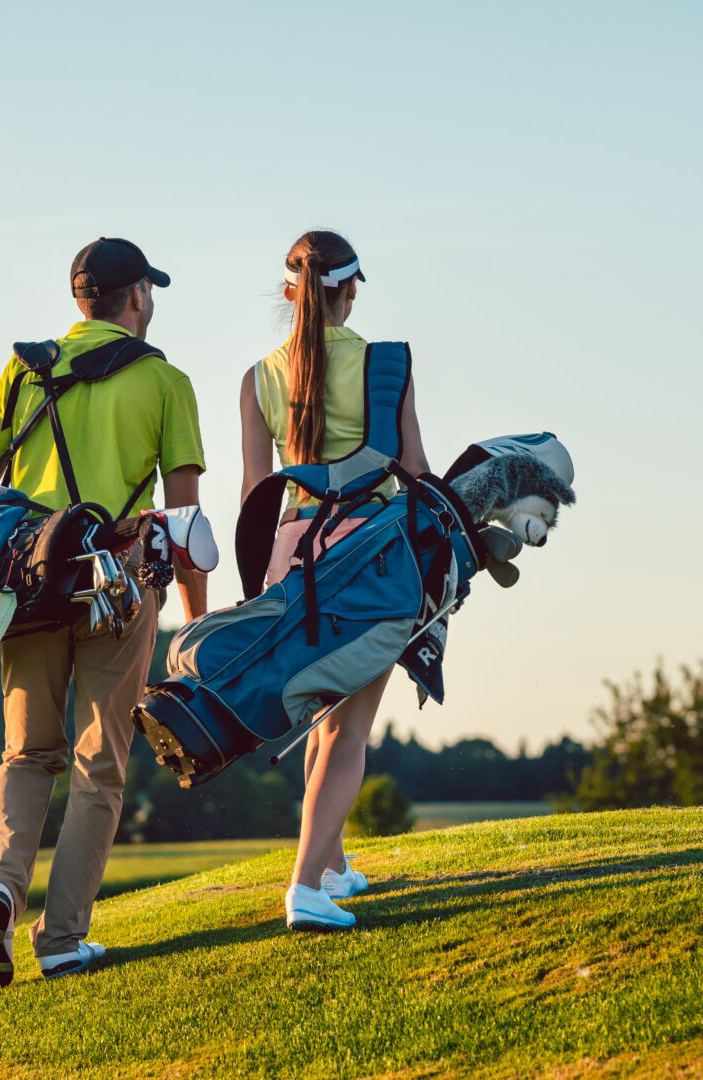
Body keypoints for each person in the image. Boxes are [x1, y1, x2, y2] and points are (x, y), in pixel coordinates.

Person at [0, 237, 209, 984]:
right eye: (149, 292)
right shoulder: (166, 381)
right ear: (135, 298)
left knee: (27, 753)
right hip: (119, 583)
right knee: (99, 765)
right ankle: (62, 938)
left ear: (78, 302)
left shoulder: (23, 370)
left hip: (29, 583)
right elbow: (184, 524)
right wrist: (193, 626)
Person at [244, 229, 428, 931]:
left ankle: (330, 866)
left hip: (292, 552)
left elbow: (256, 492)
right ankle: (305, 890)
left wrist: (260, 587)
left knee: (320, 720)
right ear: (348, 290)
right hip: (369, 554)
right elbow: (414, 470)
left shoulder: (257, 375)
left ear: (292, 294)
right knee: (350, 729)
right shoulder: (386, 365)